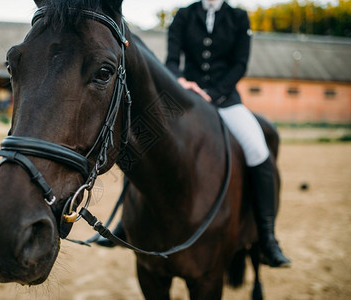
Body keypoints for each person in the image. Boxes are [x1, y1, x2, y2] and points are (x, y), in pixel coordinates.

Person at [98, 0, 291, 268]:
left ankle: (267, 237)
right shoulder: (184, 15)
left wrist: (213, 93)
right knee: (142, 141)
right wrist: (178, 81)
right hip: (183, 96)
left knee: (258, 151)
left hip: (225, 100)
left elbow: (239, 65)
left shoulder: (238, 18)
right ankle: (123, 223)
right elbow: (173, 59)